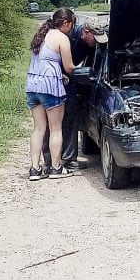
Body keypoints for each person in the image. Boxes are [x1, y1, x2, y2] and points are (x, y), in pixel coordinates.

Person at [42, 16, 108, 170]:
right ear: (86, 32)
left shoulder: (93, 44)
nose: (98, 42)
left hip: (70, 79)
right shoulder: (67, 37)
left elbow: (94, 64)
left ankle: (69, 159)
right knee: (51, 122)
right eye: (95, 38)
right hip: (54, 79)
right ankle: (49, 161)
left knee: (71, 115)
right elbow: (52, 59)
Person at [25, 7, 77, 180]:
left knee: (39, 129)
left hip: (33, 86)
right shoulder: (62, 38)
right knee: (55, 129)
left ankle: (35, 169)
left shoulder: (41, 35)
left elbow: (43, 62)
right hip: (50, 87)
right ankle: (56, 168)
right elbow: (69, 67)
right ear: (67, 23)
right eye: (71, 25)